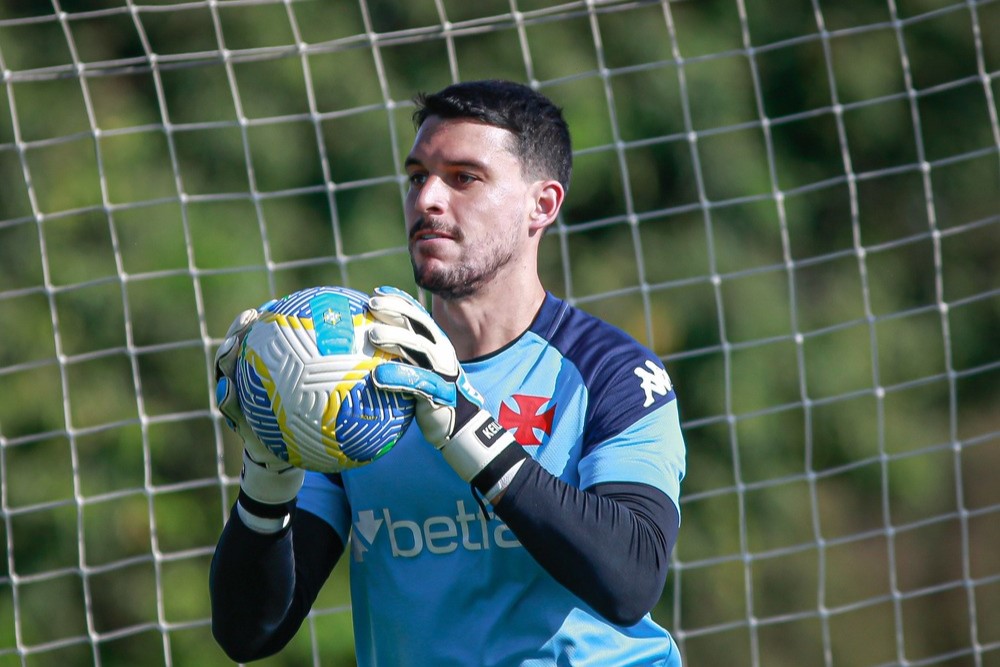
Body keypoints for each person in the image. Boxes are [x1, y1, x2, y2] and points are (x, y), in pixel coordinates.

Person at [209, 79, 687, 666]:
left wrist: (468, 431)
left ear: (543, 204)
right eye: (417, 176)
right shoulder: (352, 384)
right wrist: (265, 477)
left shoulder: (611, 373)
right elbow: (250, 634)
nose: (428, 198)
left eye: (464, 177)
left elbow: (631, 580)